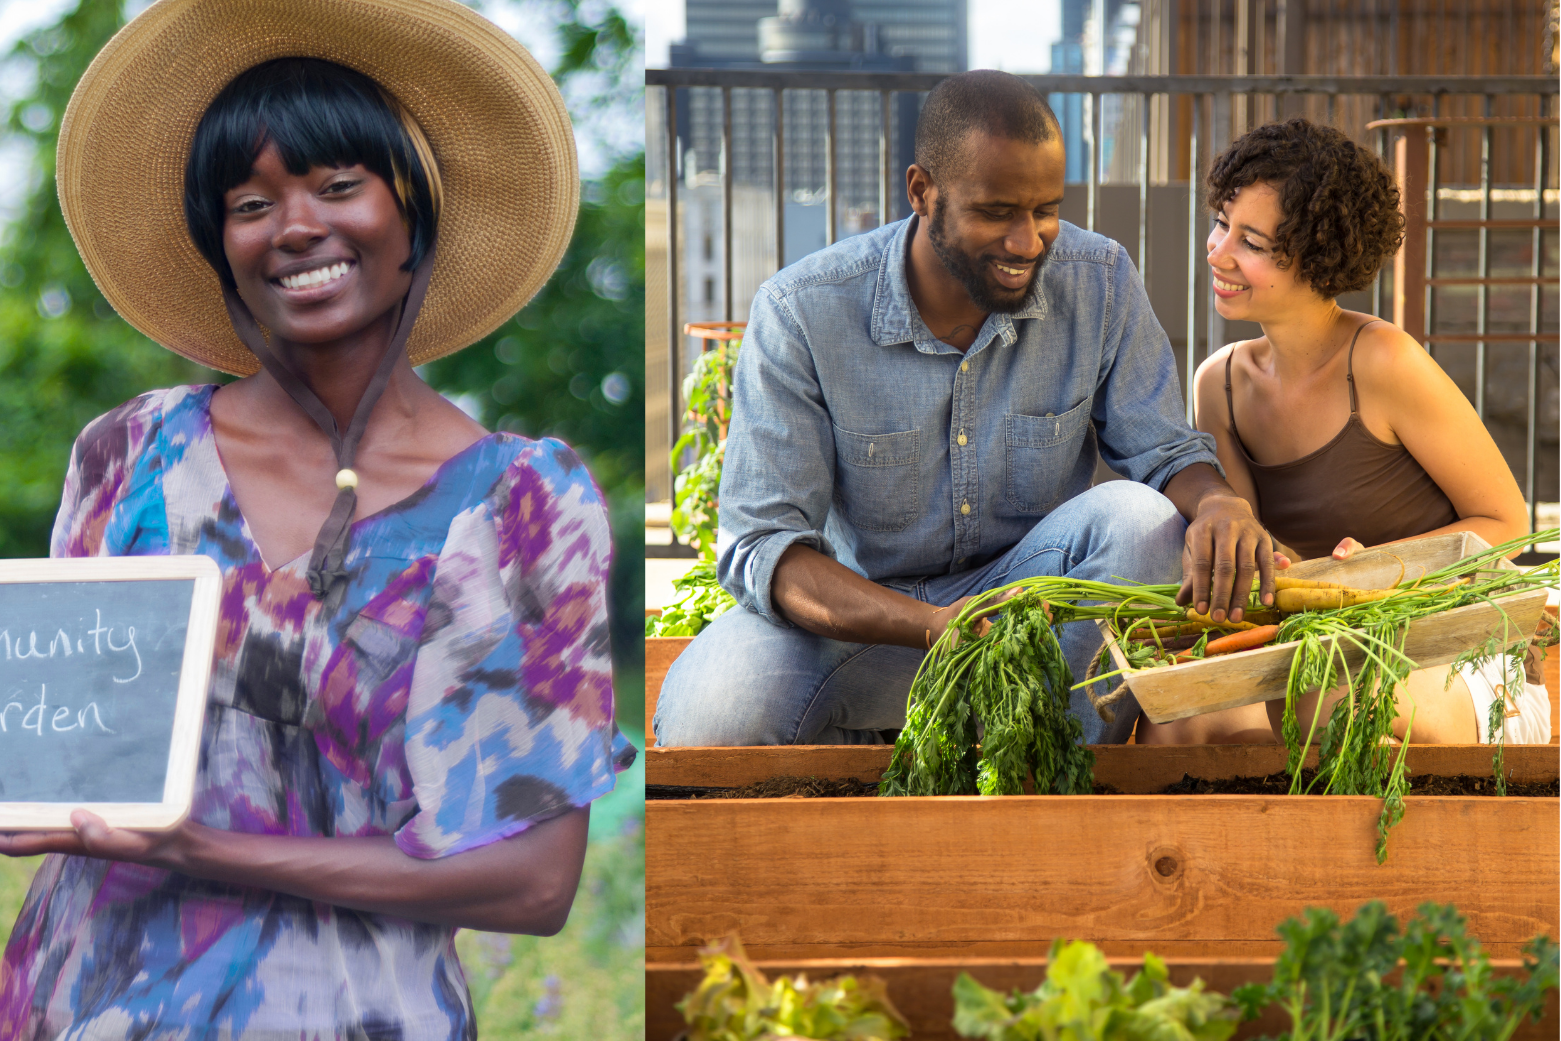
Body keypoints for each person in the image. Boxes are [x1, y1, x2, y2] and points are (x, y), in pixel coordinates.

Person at [0, 0, 633, 1038]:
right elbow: (65, 731)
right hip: (87, 998)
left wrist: (198, 847)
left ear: (415, 213)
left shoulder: (523, 504)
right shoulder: (131, 455)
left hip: (351, 1014)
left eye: (338, 184)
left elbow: (530, 882)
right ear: (222, 244)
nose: (296, 227)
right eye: (251, 205)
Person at [651, 70, 1278, 749]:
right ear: (923, 192)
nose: (1028, 240)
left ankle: (1044, 771)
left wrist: (1220, 505)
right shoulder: (803, 311)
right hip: (860, 626)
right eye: (997, 211)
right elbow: (763, 545)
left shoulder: (1098, 280)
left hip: (1037, 625)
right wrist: (931, 625)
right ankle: (900, 755)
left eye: (1045, 209)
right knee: (709, 721)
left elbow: (1163, 453)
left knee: (1142, 523)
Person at [1145, 116, 1548, 746]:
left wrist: (1382, 573)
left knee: (1327, 702)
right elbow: (1251, 543)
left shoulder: (1384, 362)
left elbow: (1504, 524)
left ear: (1320, 255)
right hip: (1304, 653)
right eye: (1222, 223)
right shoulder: (1218, 385)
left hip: (1453, 652)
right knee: (1183, 730)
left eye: (1252, 242)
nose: (1218, 251)